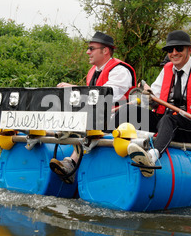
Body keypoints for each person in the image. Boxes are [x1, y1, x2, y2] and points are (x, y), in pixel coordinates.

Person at [127, 30, 191, 177]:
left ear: (189, 50)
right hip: (167, 121)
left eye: (179, 49)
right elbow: (155, 99)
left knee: (169, 119)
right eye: (170, 50)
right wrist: (148, 98)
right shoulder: (166, 70)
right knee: (130, 112)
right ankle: (107, 146)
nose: (174, 53)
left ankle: (152, 156)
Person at [50, 31, 137, 183]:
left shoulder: (120, 70)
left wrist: (75, 89)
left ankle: (72, 162)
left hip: (123, 119)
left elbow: (108, 96)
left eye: (91, 48)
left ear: (105, 51)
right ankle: (65, 146)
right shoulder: (93, 71)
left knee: (91, 120)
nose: (87, 52)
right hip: (101, 117)